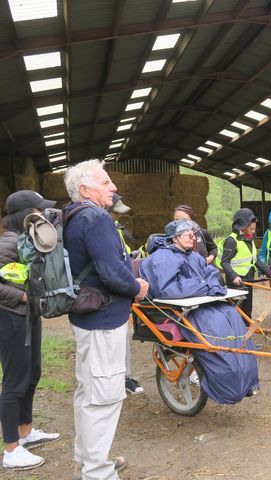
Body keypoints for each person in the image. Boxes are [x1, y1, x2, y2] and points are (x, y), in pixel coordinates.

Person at [63, 159, 149, 480]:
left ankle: (85, 460)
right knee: (105, 395)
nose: (113, 187)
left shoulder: (72, 216)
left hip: (86, 316)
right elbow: (112, 272)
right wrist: (136, 287)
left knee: (88, 391)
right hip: (103, 319)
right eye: (105, 182)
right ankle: (98, 472)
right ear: (84, 190)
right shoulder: (95, 217)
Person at [140, 220, 259, 403]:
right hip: (182, 311)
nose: (193, 237)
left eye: (193, 234)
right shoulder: (162, 258)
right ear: (175, 238)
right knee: (217, 331)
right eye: (187, 234)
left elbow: (212, 276)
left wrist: (207, 285)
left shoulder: (193, 256)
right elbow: (168, 289)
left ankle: (246, 382)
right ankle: (229, 388)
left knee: (233, 317)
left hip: (203, 304)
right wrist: (204, 286)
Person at [0, 191, 60, 470]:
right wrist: (23, 298)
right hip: (12, 319)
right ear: (25, 214)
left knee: (32, 374)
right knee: (15, 381)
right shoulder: (9, 241)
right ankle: (11, 450)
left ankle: (26, 432)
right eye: (38, 209)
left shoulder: (28, 240)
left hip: (28, 317)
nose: (43, 214)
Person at [108, 194, 143, 396]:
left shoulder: (116, 230)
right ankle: (116, 381)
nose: (118, 216)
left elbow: (120, 257)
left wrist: (131, 257)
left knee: (123, 337)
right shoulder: (101, 232)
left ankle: (124, 378)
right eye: (115, 212)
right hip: (112, 293)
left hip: (121, 293)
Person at [220, 208, 271, 318]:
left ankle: (247, 333)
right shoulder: (231, 241)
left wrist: (269, 273)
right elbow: (225, 262)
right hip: (235, 282)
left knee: (247, 311)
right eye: (251, 228)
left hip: (248, 280)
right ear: (242, 226)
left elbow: (255, 260)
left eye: (254, 228)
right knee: (236, 311)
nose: (253, 231)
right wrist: (234, 276)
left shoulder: (249, 239)